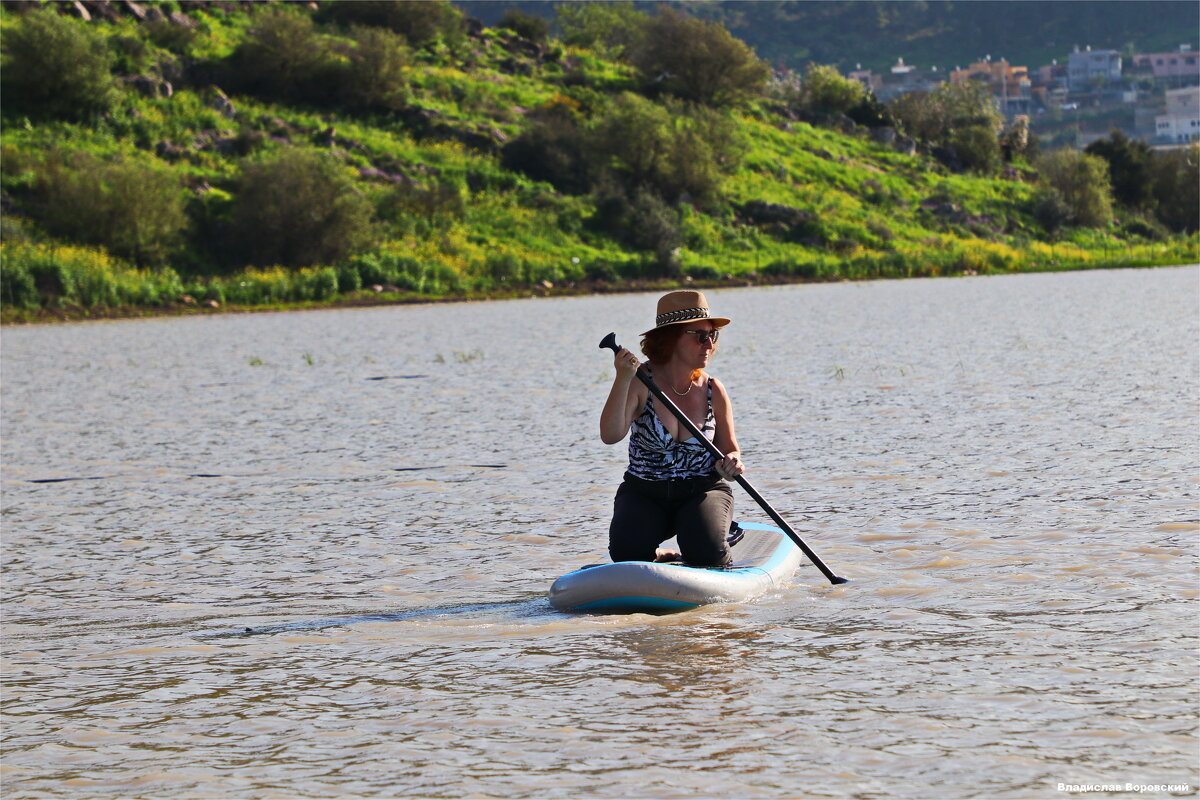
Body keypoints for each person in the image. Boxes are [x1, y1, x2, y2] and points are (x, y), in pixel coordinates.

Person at [599, 290, 745, 567]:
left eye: (713, 335)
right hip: (645, 491)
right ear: (671, 338)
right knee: (627, 555)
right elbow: (610, 435)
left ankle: (714, 536)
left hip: (701, 490)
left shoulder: (714, 389)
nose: (710, 344)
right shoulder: (640, 382)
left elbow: (731, 449)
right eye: (701, 336)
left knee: (706, 555)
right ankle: (661, 554)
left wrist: (734, 462)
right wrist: (622, 378)